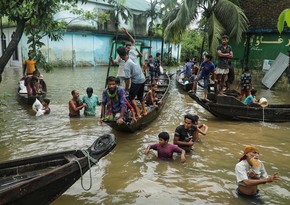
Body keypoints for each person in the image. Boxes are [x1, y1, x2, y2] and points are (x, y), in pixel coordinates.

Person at [117, 28, 147, 119]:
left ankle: (138, 113)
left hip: (137, 81)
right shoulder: (132, 54)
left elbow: (127, 80)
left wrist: (126, 90)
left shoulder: (126, 65)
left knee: (131, 97)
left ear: (120, 56)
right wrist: (126, 33)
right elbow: (133, 41)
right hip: (143, 78)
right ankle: (144, 111)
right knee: (140, 96)